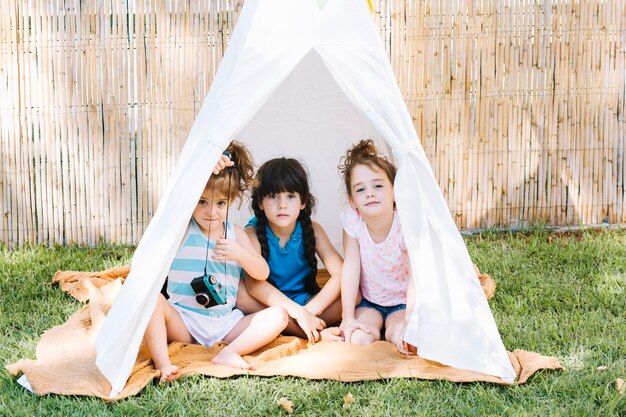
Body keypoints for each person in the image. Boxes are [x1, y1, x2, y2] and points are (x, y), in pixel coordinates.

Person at [144, 142, 289, 382]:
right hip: (185, 322)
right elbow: (174, 198)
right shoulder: (182, 230)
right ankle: (163, 365)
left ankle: (229, 353)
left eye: (220, 203)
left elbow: (262, 272)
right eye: (202, 202)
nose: (211, 211)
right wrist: (202, 167)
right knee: (152, 301)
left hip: (226, 323)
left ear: (230, 202)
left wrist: (239, 254)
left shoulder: (236, 234)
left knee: (279, 316)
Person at [243, 157, 344, 343]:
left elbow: (341, 274)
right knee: (240, 293)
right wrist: (298, 314)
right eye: (273, 196)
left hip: (307, 302)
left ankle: (301, 325)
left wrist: (308, 312)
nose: (282, 204)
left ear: (303, 201)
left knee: (355, 292)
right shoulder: (252, 233)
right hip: (269, 306)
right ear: (260, 203)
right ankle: (311, 332)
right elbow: (254, 286)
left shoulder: (313, 230)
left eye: (290, 196)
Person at [337, 139, 417, 355]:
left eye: (378, 186)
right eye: (360, 189)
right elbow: (351, 266)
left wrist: (410, 318)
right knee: (358, 338)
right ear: (352, 201)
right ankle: (372, 330)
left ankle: (395, 331)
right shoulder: (353, 221)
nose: (370, 193)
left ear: (395, 192)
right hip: (370, 302)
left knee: (400, 335)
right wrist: (347, 317)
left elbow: (416, 276)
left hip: (402, 303)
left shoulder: (404, 225)